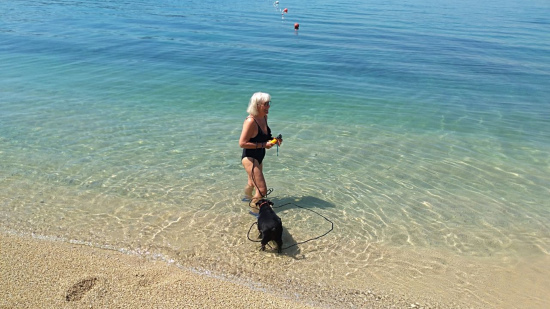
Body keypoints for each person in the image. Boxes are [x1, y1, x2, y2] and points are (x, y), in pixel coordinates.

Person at [239, 92, 282, 203]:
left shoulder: (264, 117)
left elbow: (264, 137)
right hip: (250, 158)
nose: (268, 106)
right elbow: (242, 143)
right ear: (257, 105)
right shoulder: (250, 121)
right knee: (262, 191)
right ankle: (255, 211)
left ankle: (246, 200)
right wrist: (264, 145)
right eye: (266, 104)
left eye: (269, 103)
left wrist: (274, 140)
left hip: (259, 157)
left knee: (252, 184)